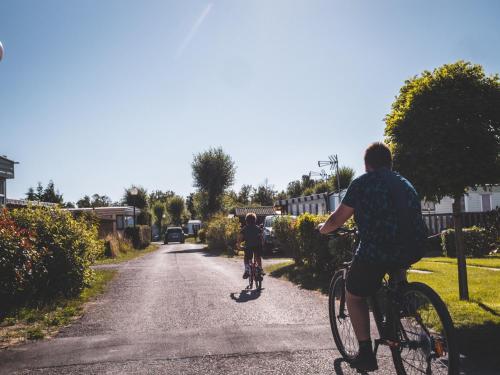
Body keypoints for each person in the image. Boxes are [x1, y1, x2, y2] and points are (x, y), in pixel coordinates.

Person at [320, 142, 427, 372]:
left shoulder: (362, 183)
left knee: (354, 295)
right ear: (390, 162)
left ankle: (366, 354)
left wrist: (323, 229)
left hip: (377, 250)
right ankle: (400, 305)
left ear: (367, 165)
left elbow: (338, 219)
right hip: (413, 246)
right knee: (394, 275)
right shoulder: (405, 183)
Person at [237, 212, 264, 279]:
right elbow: (262, 237)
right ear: (255, 220)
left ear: (246, 221)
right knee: (258, 256)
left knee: (246, 257)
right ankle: (260, 269)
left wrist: (239, 245)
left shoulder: (244, 229)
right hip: (257, 246)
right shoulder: (258, 228)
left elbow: (240, 238)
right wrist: (262, 244)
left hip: (248, 246)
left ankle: (246, 269)